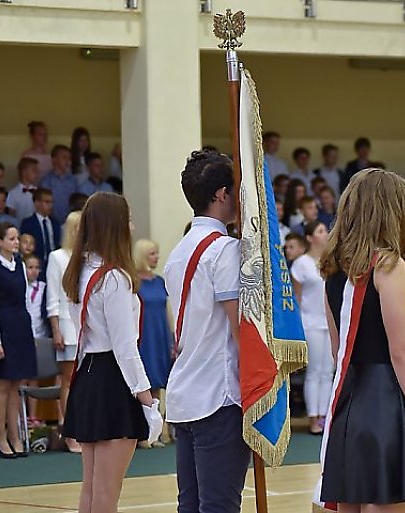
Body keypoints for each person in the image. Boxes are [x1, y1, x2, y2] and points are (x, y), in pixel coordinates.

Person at [318, 167, 405, 509]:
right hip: (385, 402)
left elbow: (338, 349)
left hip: (347, 403)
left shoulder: (332, 267)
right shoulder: (387, 264)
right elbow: (402, 352)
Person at [62, 193, 161, 512]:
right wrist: (148, 399)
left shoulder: (80, 270)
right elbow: (124, 347)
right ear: (115, 225)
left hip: (89, 376)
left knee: (91, 491)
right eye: (128, 218)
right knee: (106, 494)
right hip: (112, 380)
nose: (132, 224)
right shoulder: (114, 277)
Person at [163, 151, 250, 513]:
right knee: (219, 506)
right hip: (219, 394)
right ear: (220, 194)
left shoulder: (178, 251)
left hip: (186, 391)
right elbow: (239, 328)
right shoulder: (225, 250)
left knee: (193, 505)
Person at [0, 222, 38, 458]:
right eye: (12, 238)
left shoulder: (21, 266)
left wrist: (30, 332)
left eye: (17, 238)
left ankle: (16, 436)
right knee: (3, 385)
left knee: (16, 384)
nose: (16, 242)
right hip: (3, 329)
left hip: (20, 328)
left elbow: (25, 302)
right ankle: (1, 438)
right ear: (0, 241)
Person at [291, 220, 333, 435]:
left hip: (329, 323)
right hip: (310, 322)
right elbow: (296, 297)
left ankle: (326, 415)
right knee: (315, 371)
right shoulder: (302, 264)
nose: (325, 234)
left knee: (328, 372)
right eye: (320, 231)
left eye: (325, 230)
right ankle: (313, 417)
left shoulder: (330, 262)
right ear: (309, 238)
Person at [45, 211, 82, 454]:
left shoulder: (87, 256)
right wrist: (56, 329)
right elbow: (53, 297)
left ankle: (82, 428)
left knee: (83, 381)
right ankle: (69, 431)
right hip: (67, 326)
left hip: (85, 326)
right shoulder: (57, 257)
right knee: (68, 380)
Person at [133, 238, 172, 446]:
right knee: (143, 382)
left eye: (157, 253)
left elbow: (167, 310)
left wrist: (172, 335)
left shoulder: (159, 281)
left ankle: (155, 432)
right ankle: (141, 433)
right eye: (151, 253)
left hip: (159, 335)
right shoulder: (134, 282)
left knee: (157, 382)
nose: (156, 257)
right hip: (143, 336)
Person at [23, 253, 48, 428]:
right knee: (21, 378)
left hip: (40, 336)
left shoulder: (44, 287)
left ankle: (33, 415)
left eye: (36, 267)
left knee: (34, 378)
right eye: (30, 267)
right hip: (23, 337)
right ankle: (21, 416)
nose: (34, 271)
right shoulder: (19, 286)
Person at [19, 188, 60, 278]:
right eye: (47, 202)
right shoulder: (28, 223)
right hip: (36, 265)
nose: (50, 205)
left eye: (51, 202)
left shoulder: (55, 223)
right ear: (37, 203)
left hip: (54, 264)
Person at [40, 144, 79, 225]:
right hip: (51, 223)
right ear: (54, 160)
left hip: (70, 223)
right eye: (64, 157)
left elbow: (76, 202)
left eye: (69, 158)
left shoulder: (73, 180)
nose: (68, 161)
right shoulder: (46, 181)